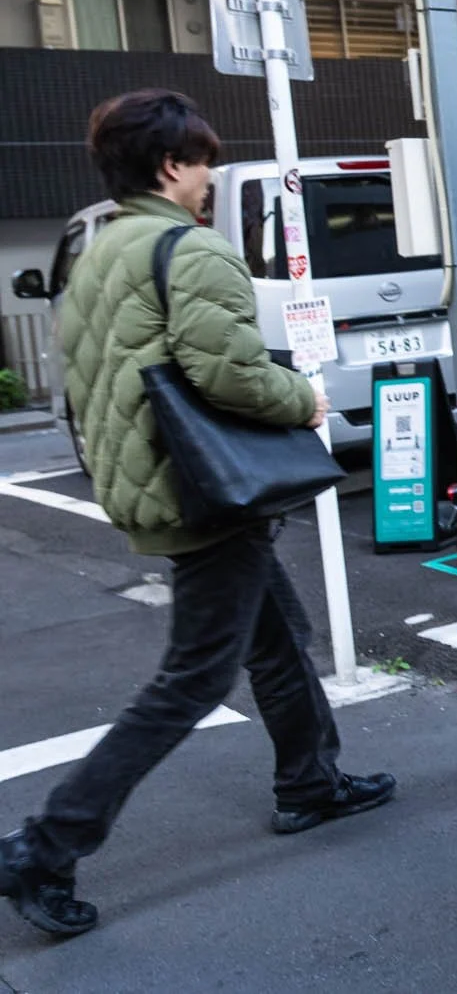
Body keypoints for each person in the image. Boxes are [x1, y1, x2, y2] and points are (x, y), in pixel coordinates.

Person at [2, 91, 395, 939]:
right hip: (206, 490)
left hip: (156, 481)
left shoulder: (98, 255)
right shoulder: (190, 248)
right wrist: (305, 398)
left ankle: (310, 782)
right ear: (171, 164)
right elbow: (233, 375)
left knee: (279, 637)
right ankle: (45, 844)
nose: (211, 174)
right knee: (195, 676)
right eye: (204, 158)